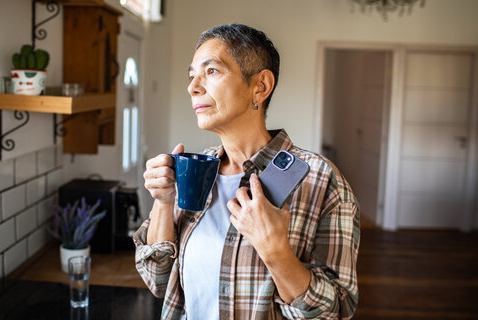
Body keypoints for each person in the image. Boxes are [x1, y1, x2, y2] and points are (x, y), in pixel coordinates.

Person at [133, 24, 360, 319]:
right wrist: (163, 201)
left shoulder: (320, 180)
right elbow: (158, 281)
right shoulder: (191, 171)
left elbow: (336, 311)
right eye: (191, 76)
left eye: (211, 71)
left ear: (261, 86)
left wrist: (276, 251)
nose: (193, 87)